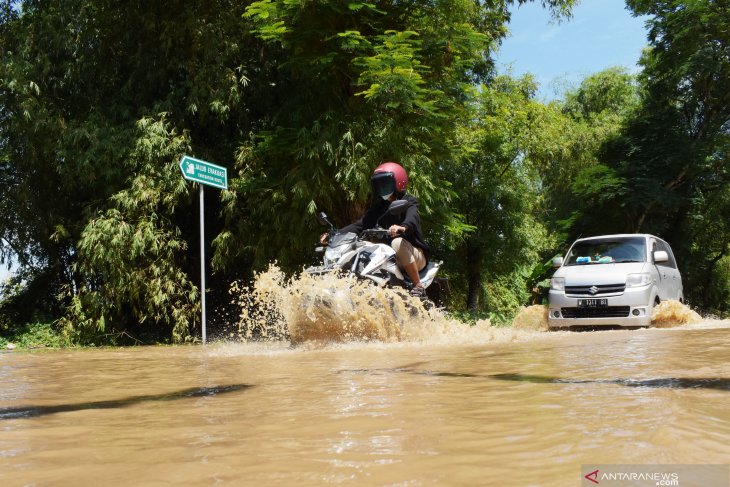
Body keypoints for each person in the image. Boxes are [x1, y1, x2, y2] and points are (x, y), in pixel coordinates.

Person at [320, 162, 431, 297]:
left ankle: (418, 287)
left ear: (399, 183)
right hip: (392, 256)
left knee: (397, 242)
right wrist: (335, 234)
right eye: (379, 185)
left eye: (385, 184)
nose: (382, 188)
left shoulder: (408, 201)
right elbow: (360, 225)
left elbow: (412, 219)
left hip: (414, 254)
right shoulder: (379, 208)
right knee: (363, 249)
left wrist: (402, 227)